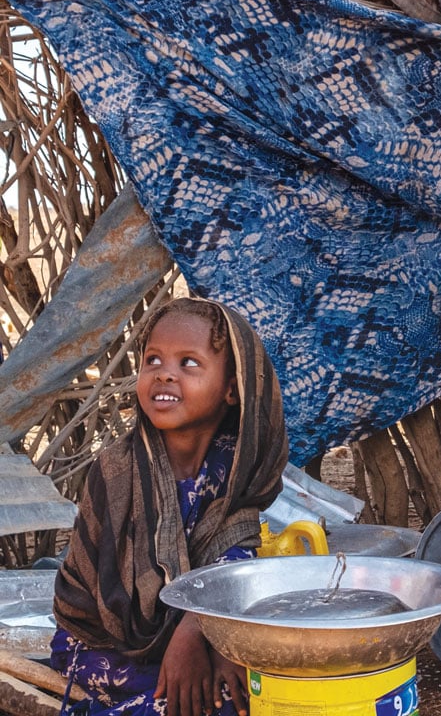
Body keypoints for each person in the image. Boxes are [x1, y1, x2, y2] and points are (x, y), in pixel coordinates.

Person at [50, 298, 288, 716]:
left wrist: (201, 631)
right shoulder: (118, 470)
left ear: (232, 388)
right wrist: (193, 636)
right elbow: (118, 599)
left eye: (188, 363)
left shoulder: (235, 468)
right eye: (153, 359)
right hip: (104, 646)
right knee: (206, 699)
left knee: (260, 684)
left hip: (204, 628)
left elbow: (235, 564)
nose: (165, 373)